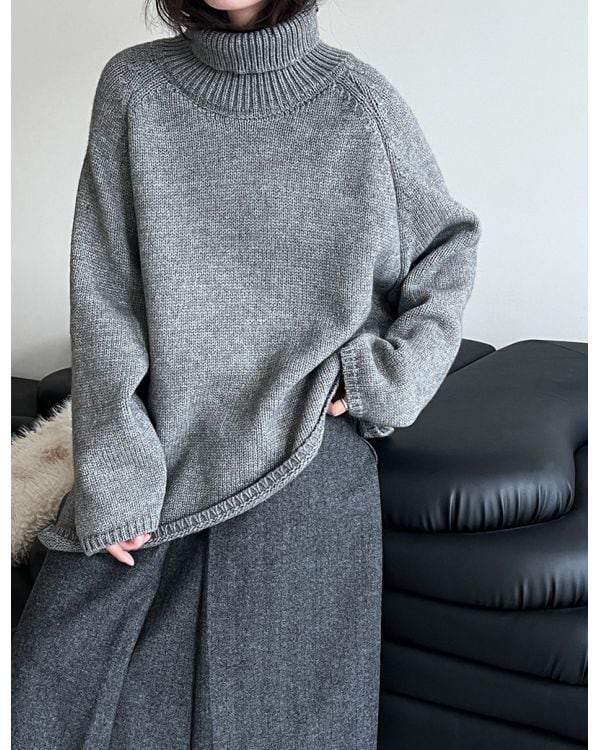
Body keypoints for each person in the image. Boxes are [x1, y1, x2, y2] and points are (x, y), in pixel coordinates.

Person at [11, 1, 481, 747]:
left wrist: (385, 378)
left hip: (305, 447)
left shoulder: (359, 101)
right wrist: (118, 474)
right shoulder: (134, 88)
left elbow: (447, 253)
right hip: (162, 443)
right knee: (53, 686)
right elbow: (106, 299)